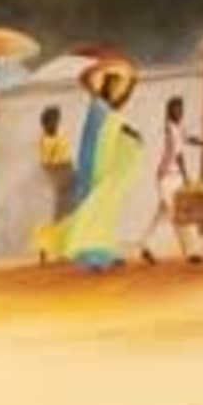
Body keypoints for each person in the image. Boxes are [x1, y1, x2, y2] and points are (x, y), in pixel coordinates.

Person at [43, 63, 147, 270]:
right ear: (107, 86)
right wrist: (93, 75)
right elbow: (87, 84)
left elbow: (119, 121)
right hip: (93, 164)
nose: (118, 91)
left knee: (105, 207)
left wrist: (133, 82)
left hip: (104, 162)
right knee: (92, 206)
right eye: (115, 86)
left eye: (119, 87)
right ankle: (90, 258)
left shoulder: (108, 107)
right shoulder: (98, 103)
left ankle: (104, 253)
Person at [151, 94, 199, 263]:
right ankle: (191, 252)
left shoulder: (178, 127)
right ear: (169, 111)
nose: (179, 111)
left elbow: (190, 139)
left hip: (173, 176)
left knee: (163, 213)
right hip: (167, 177)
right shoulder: (170, 129)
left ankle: (146, 246)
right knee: (180, 213)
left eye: (180, 108)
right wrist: (187, 177)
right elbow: (178, 155)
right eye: (175, 108)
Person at [30, 106, 73, 263]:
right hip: (56, 178)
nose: (56, 123)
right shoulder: (45, 141)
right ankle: (46, 249)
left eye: (57, 119)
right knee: (52, 216)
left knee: (63, 216)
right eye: (53, 120)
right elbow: (47, 163)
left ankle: (61, 249)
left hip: (65, 177)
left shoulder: (59, 137)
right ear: (46, 123)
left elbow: (66, 157)